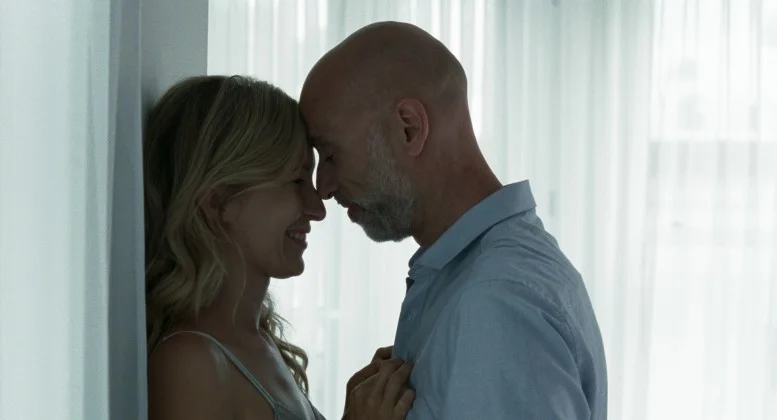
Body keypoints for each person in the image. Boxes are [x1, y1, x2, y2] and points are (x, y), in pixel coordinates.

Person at [299, 22, 608, 419]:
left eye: (330, 154)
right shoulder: (484, 281)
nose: (322, 188)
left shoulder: (495, 301)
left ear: (409, 128)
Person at [144, 75, 415, 420]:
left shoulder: (261, 341)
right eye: (296, 181)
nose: (317, 209)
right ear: (218, 201)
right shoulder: (189, 363)